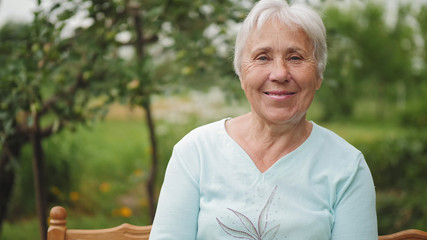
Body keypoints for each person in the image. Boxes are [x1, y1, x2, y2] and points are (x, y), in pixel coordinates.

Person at [149, 0, 378, 239]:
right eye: (262, 57)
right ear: (241, 73)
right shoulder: (196, 152)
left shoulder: (347, 167)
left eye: (296, 57)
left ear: (318, 75)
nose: (279, 73)